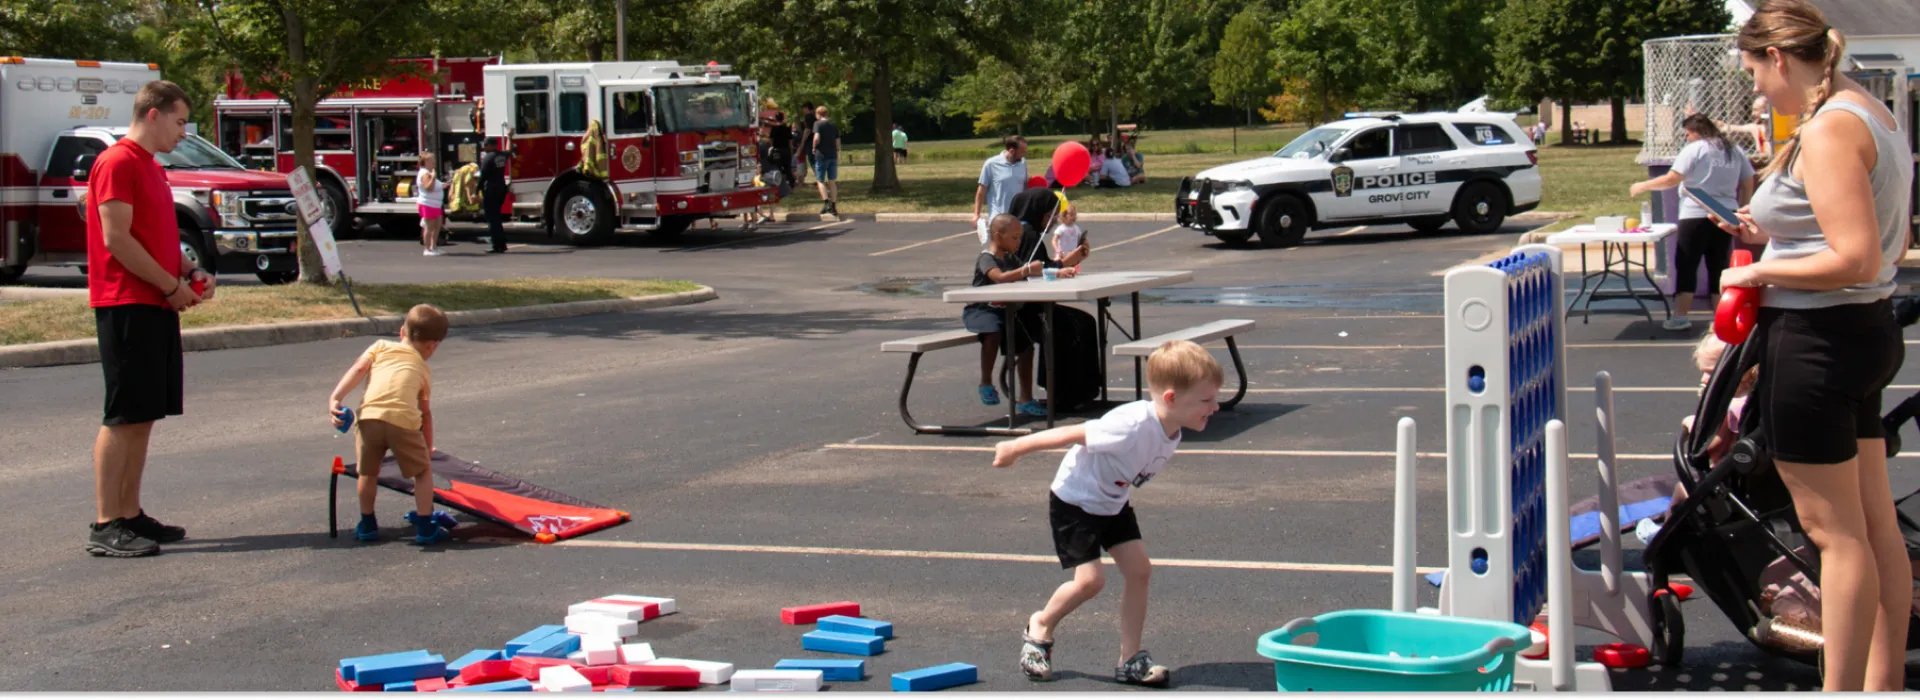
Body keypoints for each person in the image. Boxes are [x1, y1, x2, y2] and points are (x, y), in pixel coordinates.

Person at [1718, 1, 1915, 689]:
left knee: (1835, 538)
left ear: (1779, 58)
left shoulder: (1830, 129)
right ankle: (1881, 683)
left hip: (1818, 340)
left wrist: (1761, 268)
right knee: (1870, 527)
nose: (1754, 89)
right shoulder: (1868, 111)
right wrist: (1773, 236)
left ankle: (1843, 689)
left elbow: (1855, 256)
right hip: (1861, 332)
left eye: (1753, 71)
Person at [991, 339, 1222, 686]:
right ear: (1172, 398)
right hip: (1076, 502)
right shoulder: (1129, 424)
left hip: (1112, 501)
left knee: (1139, 571)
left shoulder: (1171, 429)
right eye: (1206, 400)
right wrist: (1015, 447)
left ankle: (1130, 659)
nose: (1215, 407)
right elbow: (1071, 433)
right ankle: (1040, 625)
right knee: (1090, 581)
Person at [83, 80, 208, 558]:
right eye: (179, 122)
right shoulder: (116, 162)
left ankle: (130, 513)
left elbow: (156, 236)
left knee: (144, 414)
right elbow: (117, 239)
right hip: (125, 303)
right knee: (123, 415)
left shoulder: (152, 168)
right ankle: (105, 521)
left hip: (154, 303)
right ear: (152, 115)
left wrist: (191, 270)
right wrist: (168, 286)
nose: (183, 132)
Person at [327, 304, 453, 545]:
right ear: (433, 345)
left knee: (367, 472)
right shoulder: (423, 369)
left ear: (401, 331)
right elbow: (424, 413)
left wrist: (336, 398)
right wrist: (427, 447)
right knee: (422, 471)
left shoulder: (379, 346)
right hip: (402, 424)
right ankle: (426, 527)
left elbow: (359, 368)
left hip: (369, 419)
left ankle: (367, 523)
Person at [1629, 113, 1756, 329]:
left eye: (1687, 134)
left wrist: (1643, 185)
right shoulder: (1734, 150)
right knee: (1719, 266)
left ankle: (1680, 315)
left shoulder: (1695, 149)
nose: (1686, 138)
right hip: (1726, 213)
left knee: (1687, 263)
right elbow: (1747, 182)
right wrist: (1742, 210)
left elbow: (1672, 178)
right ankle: (1721, 317)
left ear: (1695, 132)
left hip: (1695, 212)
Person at [965, 215, 1062, 416]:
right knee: (992, 333)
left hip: (1006, 312)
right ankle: (985, 382)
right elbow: (999, 278)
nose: (1018, 242)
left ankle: (1026, 398)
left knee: (1026, 345)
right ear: (999, 237)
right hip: (983, 310)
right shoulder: (987, 258)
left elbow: (1031, 273)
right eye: (1015, 237)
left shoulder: (1010, 257)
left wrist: (1060, 272)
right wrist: (1025, 269)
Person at [973, 136, 1029, 245]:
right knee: (999, 251)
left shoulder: (1023, 163)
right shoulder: (991, 164)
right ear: (1012, 151)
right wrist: (976, 214)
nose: (1024, 154)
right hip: (998, 218)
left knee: (1017, 252)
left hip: (1017, 217)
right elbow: (981, 191)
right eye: (1022, 151)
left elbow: (1025, 187)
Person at [478, 139, 512, 254]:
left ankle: (497, 245)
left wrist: (475, 192)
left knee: (492, 220)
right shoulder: (501, 156)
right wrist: (509, 137)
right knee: (497, 217)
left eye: (485, 145)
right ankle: (502, 243)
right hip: (501, 189)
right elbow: (509, 150)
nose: (484, 147)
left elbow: (483, 177)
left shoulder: (488, 158)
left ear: (489, 146)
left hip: (491, 191)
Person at [415, 152, 447, 256]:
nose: (434, 162)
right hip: (428, 204)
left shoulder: (429, 172)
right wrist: (433, 177)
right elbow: (428, 187)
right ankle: (427, 249)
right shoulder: (425, 173)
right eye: (432, 160)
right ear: (426, 162)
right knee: (429, 227)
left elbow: (434, 186)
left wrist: (442, 185)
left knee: (437, 226)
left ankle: (434, 247)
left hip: (435, 204)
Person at [811, 105, 841, 216]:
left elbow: (816, 138)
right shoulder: (833, 125)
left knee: (820, 180)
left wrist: (814, 147)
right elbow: (837, 141)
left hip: (821, 155)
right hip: (832, 155)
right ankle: (834, 206)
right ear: (827, 114)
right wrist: (836, 150)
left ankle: (826, 203)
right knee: (832, 181)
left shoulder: (817, 124)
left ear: (818, 114)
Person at [796, 102, 817, 188]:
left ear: (807, 108)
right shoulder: (816, 116)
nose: (803, 111)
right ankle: (819, 177)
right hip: (816, 139)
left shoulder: (809, 117)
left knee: (812, 159)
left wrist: (803, 140)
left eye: (804, 109)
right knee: (814, 159)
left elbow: (807, 130)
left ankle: (819, 178)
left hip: (810, 141)